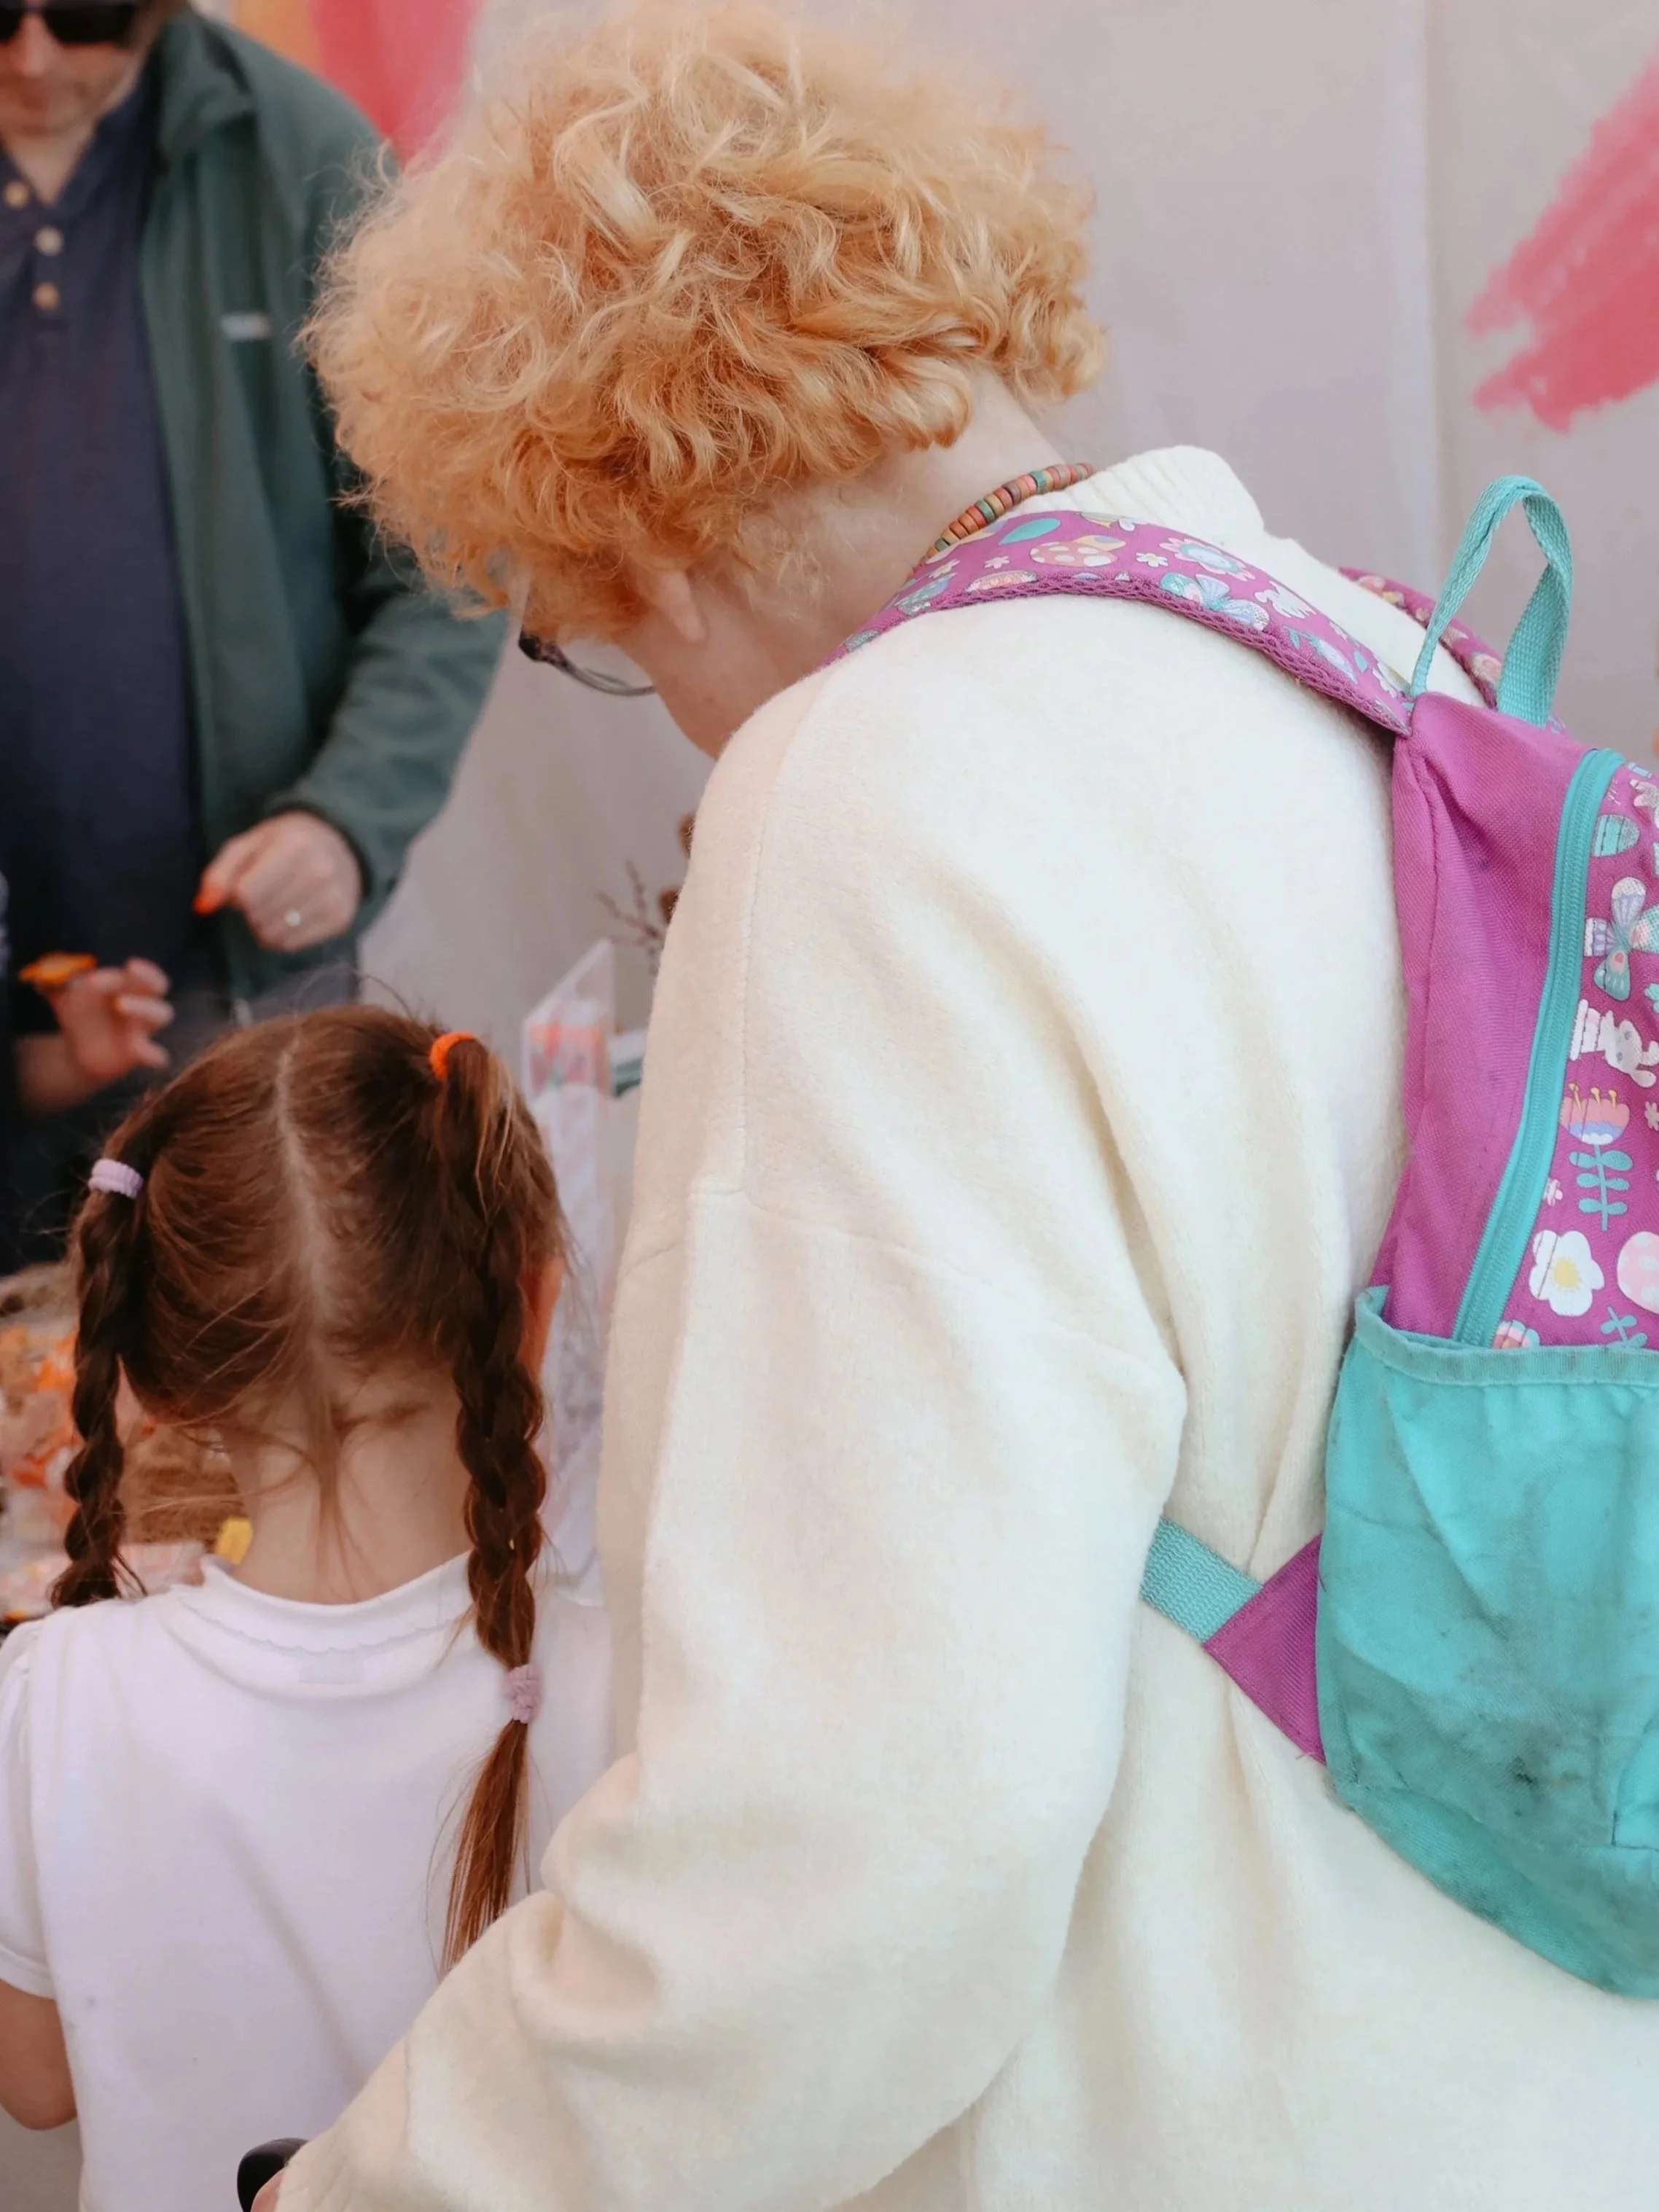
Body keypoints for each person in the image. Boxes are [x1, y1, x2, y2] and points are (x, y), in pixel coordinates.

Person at [282, 4, 1659, 2209]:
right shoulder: (1357, 653)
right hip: (1537, 2055)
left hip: (1211, 2106)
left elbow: (851, 1844)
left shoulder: (875, 791)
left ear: (633, 519)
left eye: (588, 636)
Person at [0, 1009, 613, 2212]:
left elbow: (33, 2081)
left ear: (159, 1379)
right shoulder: (616, 1690)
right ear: (528, 1315)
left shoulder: (49, 1691)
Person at [0, 0, 506, 1266]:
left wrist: (346, 817)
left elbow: (448, 551)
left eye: (87, 14)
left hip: (240, 977)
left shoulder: (304, 161)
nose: (34, 56)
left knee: (264, 1341)